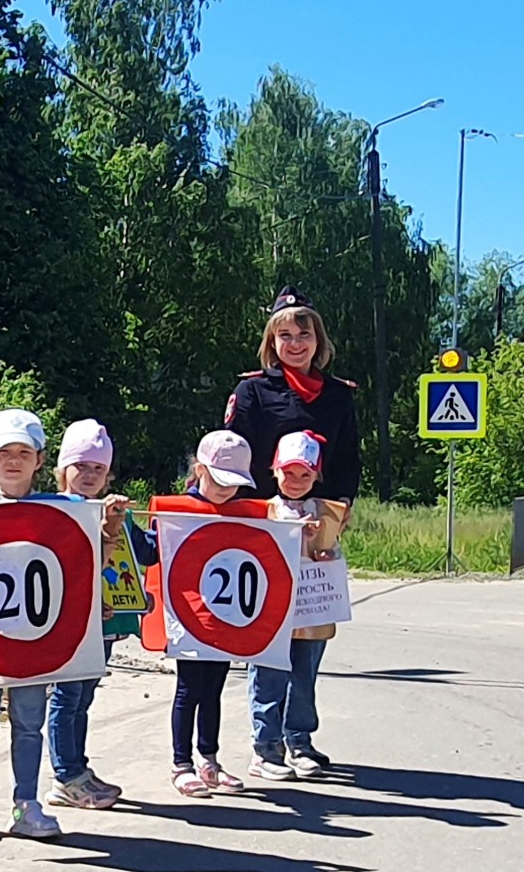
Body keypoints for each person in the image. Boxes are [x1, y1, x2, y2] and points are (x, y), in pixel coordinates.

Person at [0, 409, 71, 842]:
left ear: (40, 460)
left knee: (29, 721)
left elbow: (78, 568)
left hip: (34, 638)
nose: (13, 461)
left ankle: (27, 802)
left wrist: (109, 528)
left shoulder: (62, 514)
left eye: (24, 452)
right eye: (4, 452)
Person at [148, 431, 271, 798]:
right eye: (219, 480)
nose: (226, 490)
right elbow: (152, 551)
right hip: (187, 617)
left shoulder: (244, 513)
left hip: (225, 617)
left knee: (214, 688)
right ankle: (180, 762)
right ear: (200, 469)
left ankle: (209, 758)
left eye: (234, 484)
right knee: (188, 689)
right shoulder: (178, 511)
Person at [45, 419, 154, 811]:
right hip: (69, 622)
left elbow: (148, 552)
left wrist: (180, 522)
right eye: (81, 466)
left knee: (84, 697)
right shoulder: (53, 510)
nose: (89, 475)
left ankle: (78, 766)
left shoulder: (117, 512)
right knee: (66, 696)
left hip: (105, 625)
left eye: (98, 468)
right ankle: (65, 775)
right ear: (62, 470)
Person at [249, 430, 346, 781]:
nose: (295, 481)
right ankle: (266, 747)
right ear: (274, 470)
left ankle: (300, 742)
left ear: (317, 475)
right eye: (288, 473)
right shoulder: (262, 511)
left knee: (304, 676)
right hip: (271, 610)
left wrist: (324, 553)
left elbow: (332, 556)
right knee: (268, 677)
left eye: (304, 474)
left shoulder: (326, 513)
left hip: (311, 609)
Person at [222, 287, 363, 503]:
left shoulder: (338, 395)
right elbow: (232, 456)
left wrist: (343, 503)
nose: (295, 344)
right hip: (259, 515)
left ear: (318, 340)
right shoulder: (252, 391)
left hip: (318, 518)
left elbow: (347, 459)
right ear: (272, 341)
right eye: (285, 335)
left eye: (304, 334)